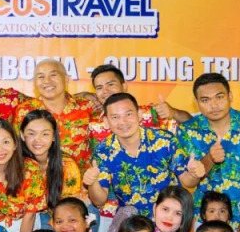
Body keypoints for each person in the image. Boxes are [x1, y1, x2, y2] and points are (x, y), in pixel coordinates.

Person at [86, 93, 201, 222]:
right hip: (132, 223)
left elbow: (188, 181)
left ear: (139, 115)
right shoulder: (103, 152)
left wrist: (194, 173)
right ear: (107, 122)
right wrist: (92, 182)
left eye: (128, 114)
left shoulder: (164, 140)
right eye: (115, 117)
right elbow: (99, 201)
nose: (123, 122)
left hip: (169, 219)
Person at [180, 73, 240, 225]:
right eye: (205, 100)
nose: (214, 105)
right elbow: (189, 182)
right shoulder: (187, 131)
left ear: (230, 96)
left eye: (219, 97)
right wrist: (210, 158)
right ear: (196, 102)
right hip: (205, 218)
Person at [14, 59, 95, 173]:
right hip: (39, 180)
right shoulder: (24, 110)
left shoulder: (87, 106)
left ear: (66, 79)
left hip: (82, 181)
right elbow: (17, 149)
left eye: (53, 75)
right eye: (41, 77)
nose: (47, 81)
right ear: (35, 83)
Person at [87, 63, 189, 141]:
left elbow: (193, 126)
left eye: (111, 84)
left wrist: (174, 113)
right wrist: (83, 95)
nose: (105, 91)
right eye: (99, 88)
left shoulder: (151, 113)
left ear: (124, 86)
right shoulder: (91, 124)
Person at [20, 109, 83, 226]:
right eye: (31, 133)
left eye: (45, 134)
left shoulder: (66, 164)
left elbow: (71, 207)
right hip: (27, 216)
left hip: (61, 216)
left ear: (54, 136)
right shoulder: (17, 164)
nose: (37, 140)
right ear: (22, 135)